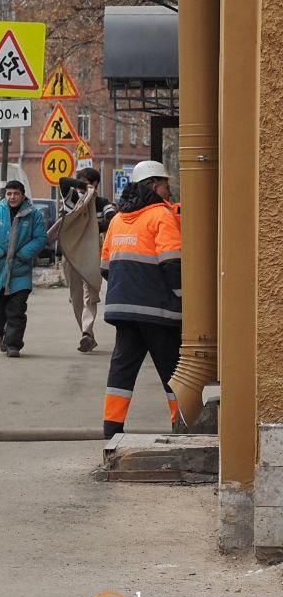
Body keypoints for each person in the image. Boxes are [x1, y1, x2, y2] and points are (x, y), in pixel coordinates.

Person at [100, 160, 183, 439]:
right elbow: (173, 264)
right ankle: (182, 424)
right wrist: (183, 299)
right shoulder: (161, 216)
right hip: (158, 310)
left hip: (123, 308)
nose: (169, 190)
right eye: (165, 184)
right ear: (153, 185)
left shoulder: (118, 219)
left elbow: (105, 268)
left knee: (122, 369)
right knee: (173, 370)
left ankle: (112, 428)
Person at [0, 179, 48, 357]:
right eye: (9, 193)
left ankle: (13, 345)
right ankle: (3, 332)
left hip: (20, 271)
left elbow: (40, 239)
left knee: (16, 309)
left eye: (16, 194)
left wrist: (22, 255)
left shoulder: (34, 215)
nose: (12, 197)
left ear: (23, 195)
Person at [56, 167, 118, 352]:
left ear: (97, 185)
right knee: (76, 297)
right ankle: (87, 334)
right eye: (82, 183)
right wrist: (81, 186)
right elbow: (63, 182)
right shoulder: (71, 200)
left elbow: (112, 219)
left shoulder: (102, 203)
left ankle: (86, 332)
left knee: (90, 295)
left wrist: (92, 228)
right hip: (71, 254)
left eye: (89, 183)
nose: (84, 187)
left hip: (92, 253)